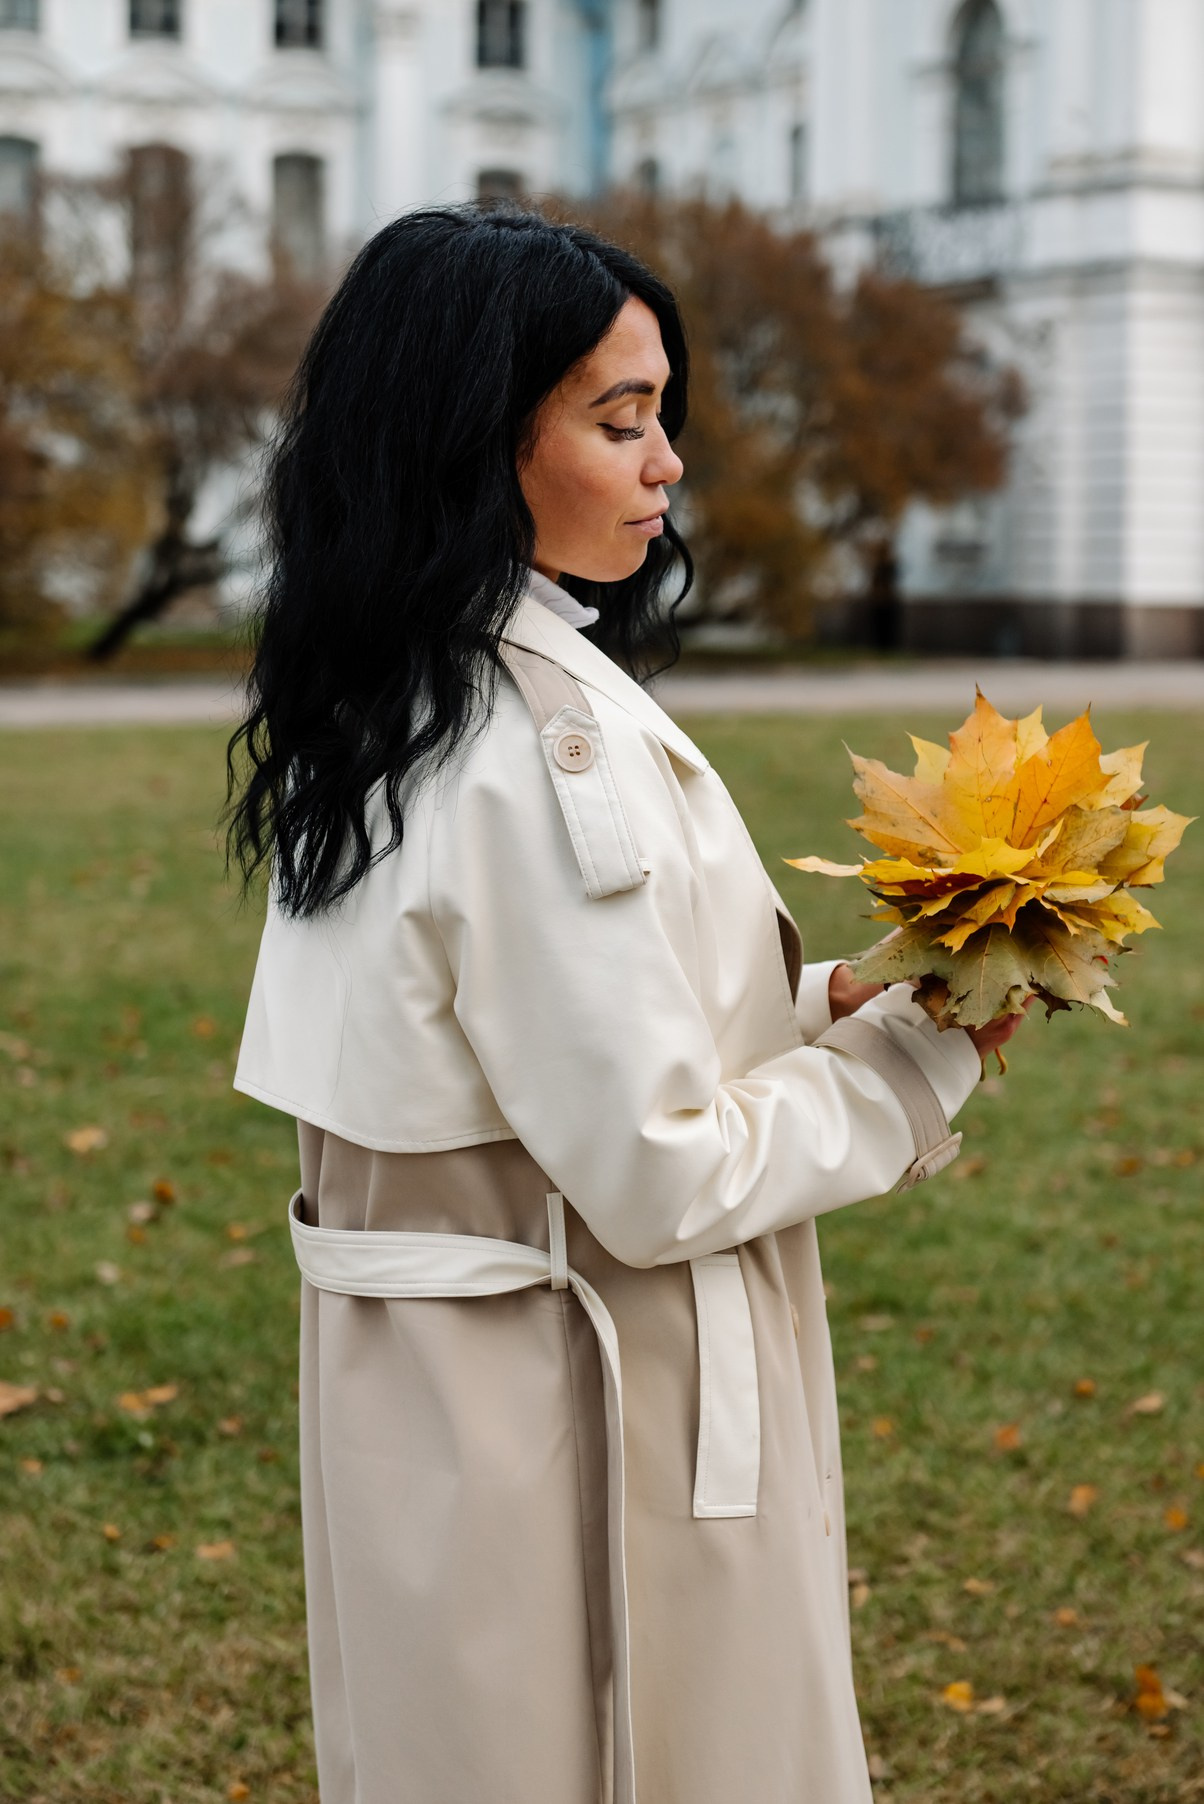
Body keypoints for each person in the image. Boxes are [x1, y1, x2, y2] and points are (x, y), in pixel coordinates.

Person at [227, 204, 1024, 1804]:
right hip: (579, 1407)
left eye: (662, 415)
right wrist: (908, 1061)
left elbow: (516, 1038)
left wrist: (823, 998)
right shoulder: (536, 752)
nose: (668, 464)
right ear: (479, 441)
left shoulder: (387, 701)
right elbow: (660, 1171)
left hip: (441, 1399)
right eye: (619, 420)